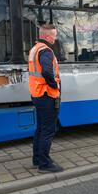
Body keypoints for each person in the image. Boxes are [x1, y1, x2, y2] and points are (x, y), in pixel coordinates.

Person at [28, 24, 64, 173]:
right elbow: (48, 72)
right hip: (47, 94)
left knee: (41, 128)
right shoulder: (46, 51)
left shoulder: (35, 49)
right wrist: (55, 85)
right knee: (48, 130)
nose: (55, 39)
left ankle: (37, 159)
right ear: (48, 36)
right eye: (54, 36)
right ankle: (44, 164)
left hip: (37, 94)